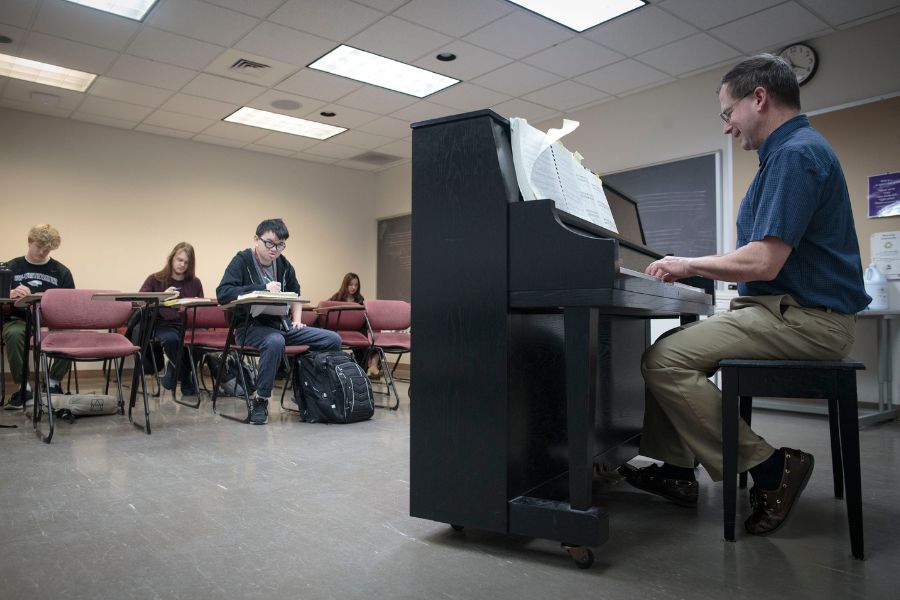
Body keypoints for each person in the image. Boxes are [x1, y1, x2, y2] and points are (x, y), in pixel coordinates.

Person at [619, 54, 870, 537]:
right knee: (672, 352)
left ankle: (772, 469)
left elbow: (763, 261)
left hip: (807, 321)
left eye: (727, 113)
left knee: (664, 359)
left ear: (759, 98)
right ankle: (676, 471)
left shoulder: (795, 154)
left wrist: (688, 263)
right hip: (791, 313)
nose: (727, 128)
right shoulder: (790, 153)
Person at [216, 218, 341, 425]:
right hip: (249, 327)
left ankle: (310, 390)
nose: (275, 249)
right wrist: (260, 289)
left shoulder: (283, 264)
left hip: (281, 326)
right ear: (256, 239)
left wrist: (298, 321)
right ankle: (260, 400)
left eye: (280, 245)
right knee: (275, 342)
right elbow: (223, 293)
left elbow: (296, 294)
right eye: (270, 243)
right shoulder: (242, 260)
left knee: (332, 340)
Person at [2, 224, 75, 409]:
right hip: (19, 318)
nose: (42, 252)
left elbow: (69, 304)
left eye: (47, 249)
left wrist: (49, 299)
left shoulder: (62, 272)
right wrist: (8, 294)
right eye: (39, 246)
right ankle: (23, 387)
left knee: (71, 334)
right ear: (29, 241)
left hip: (51, 319)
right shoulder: (11, 267)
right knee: (14, 333)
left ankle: (52, 383)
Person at [136, 242, 204, 397]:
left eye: (186, 262)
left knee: (200, 340)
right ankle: (186, 379)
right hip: (162, 324)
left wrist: (191, 305)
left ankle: (172, 372)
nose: (182, 265)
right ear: (172, 258)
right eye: (179, 260)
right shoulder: (155, 279)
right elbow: (139, 302)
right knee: (172, 339)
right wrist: (162, 297)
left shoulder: (195, 282)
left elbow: (200, 306)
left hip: (187, 323)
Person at [328, 272, 379, 377]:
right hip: (340, 329)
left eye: (356, 285)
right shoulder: (336, 298)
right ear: (345, 285)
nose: (353, 287)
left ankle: (371, 366)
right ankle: (372, 366)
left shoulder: (360, 299)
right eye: (351, 284)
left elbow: (364, 317)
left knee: (371, 339)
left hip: (356, 330)